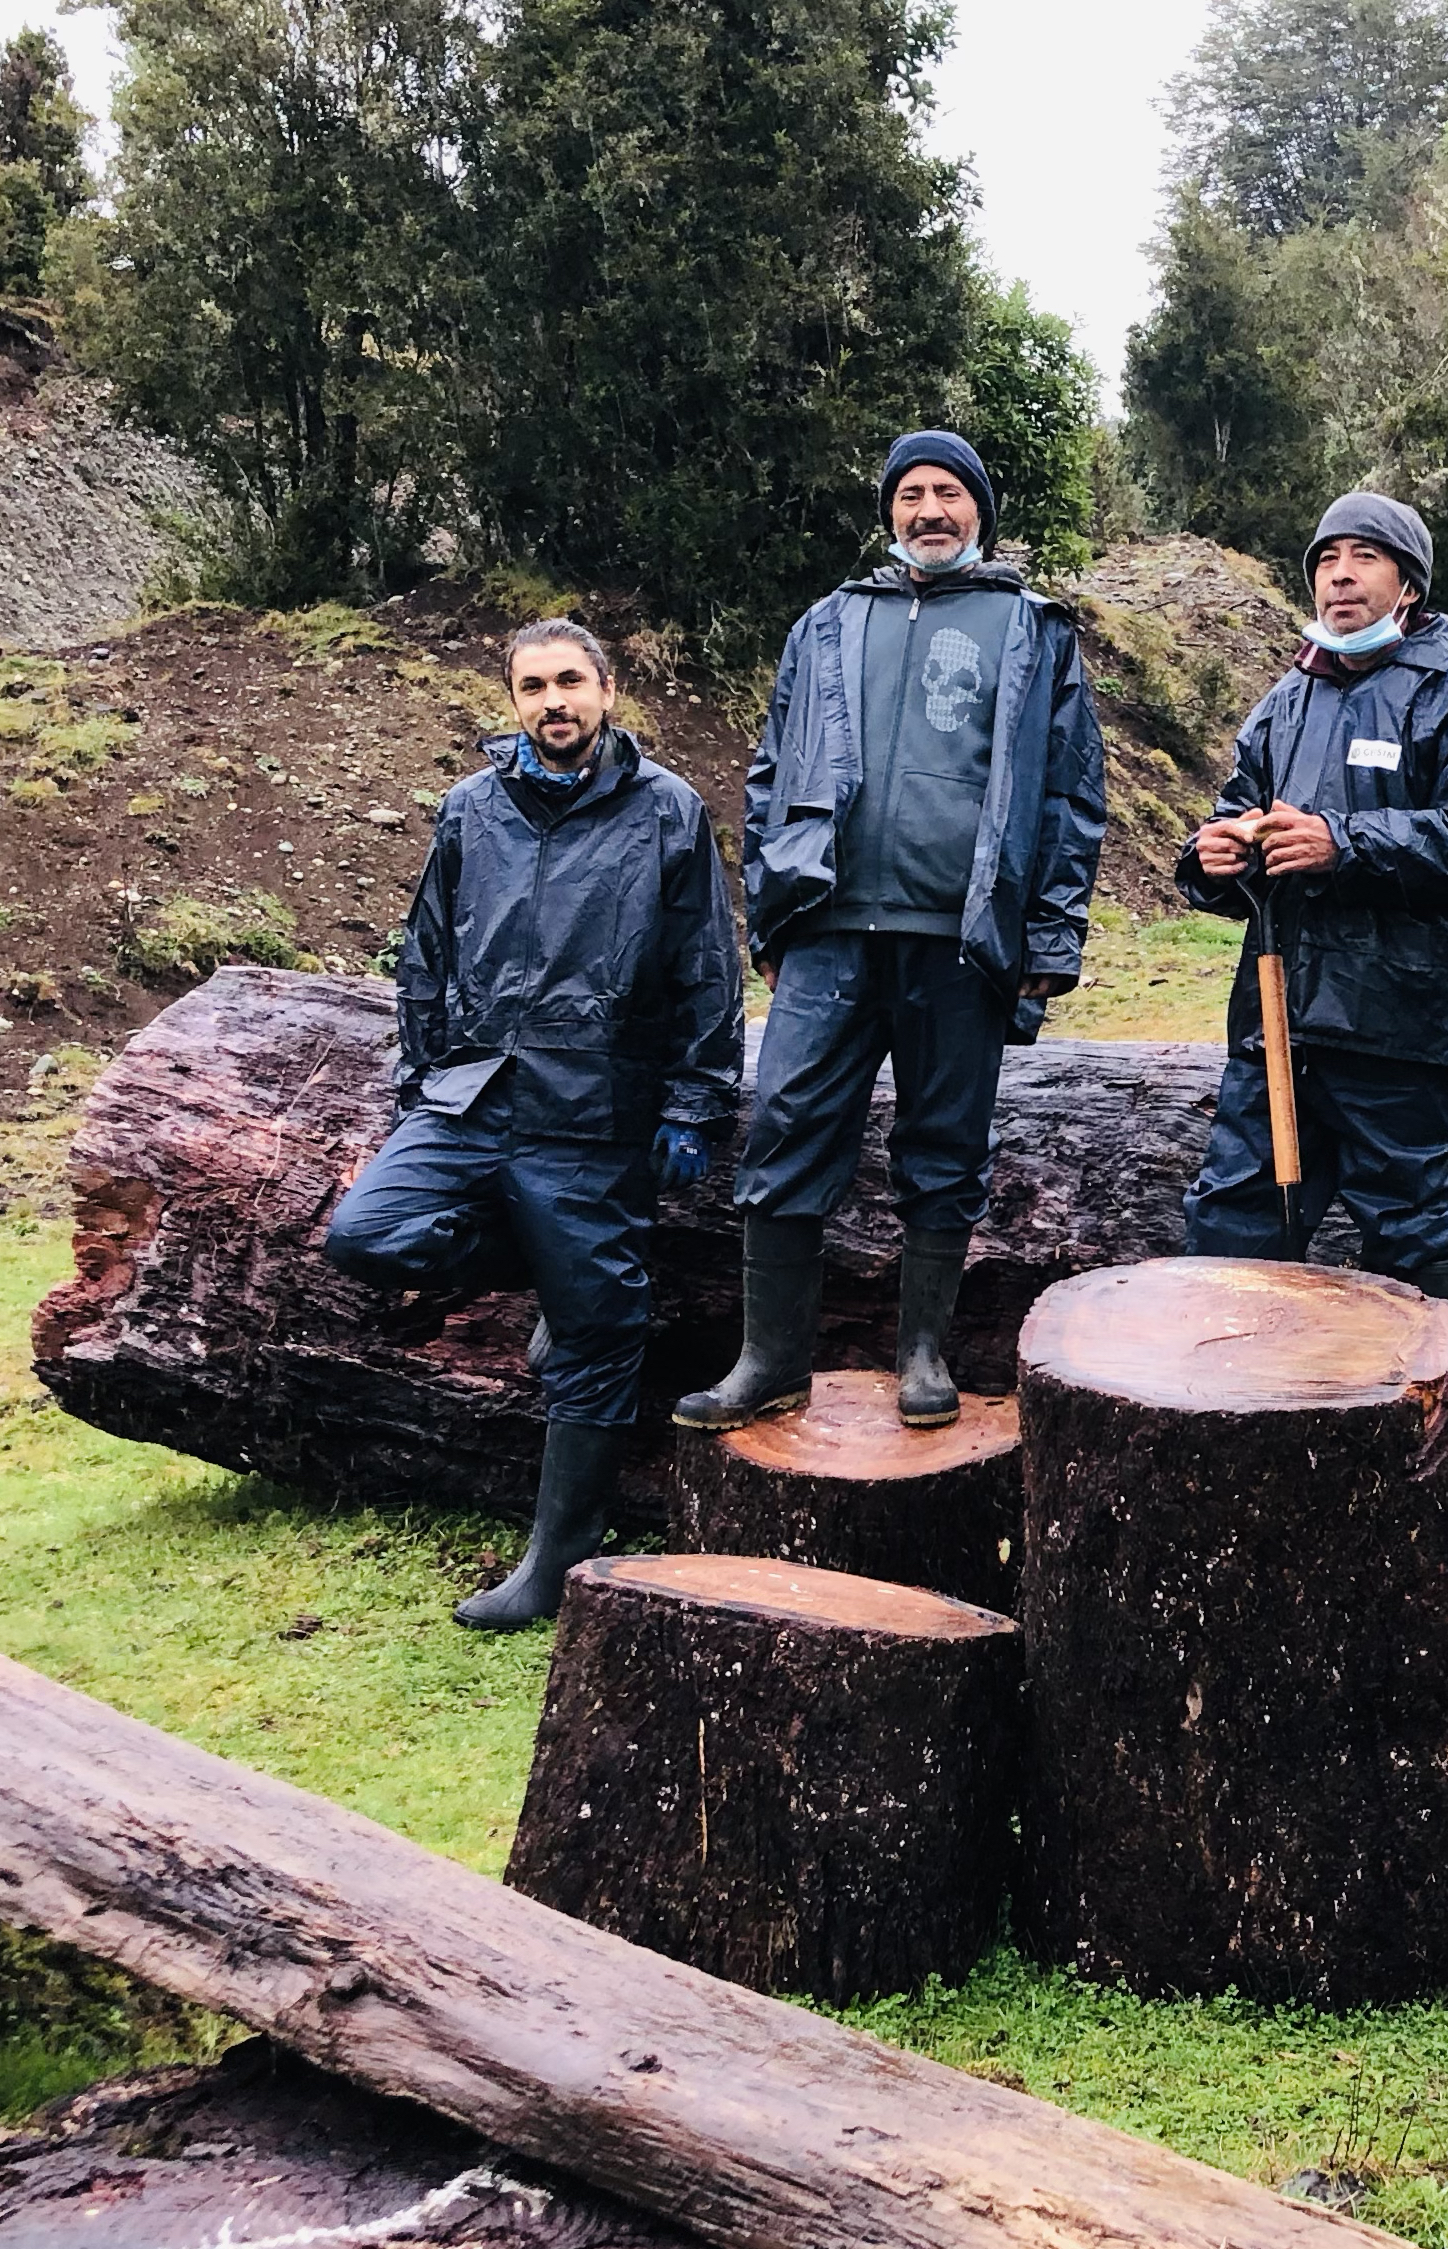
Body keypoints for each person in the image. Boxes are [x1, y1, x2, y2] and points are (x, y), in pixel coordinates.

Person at [676, 430, 1108, 1432]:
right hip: (828, 930)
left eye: (948, 493)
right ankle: (770, 1360)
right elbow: (772, 775)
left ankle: (922, 1353)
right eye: (910, 493)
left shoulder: (1030, 628)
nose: (928, 510)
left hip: (962, 938)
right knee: (783, 1125)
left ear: (978, 513)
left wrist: (1047, 941)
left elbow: (1070, 796)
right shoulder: (826, 624)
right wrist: (772, 921)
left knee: (945, 1145)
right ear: (889, 514)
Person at [325, 618, 742, 1631]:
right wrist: (416, 1080)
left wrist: (695, 1100)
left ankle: (554, 1561)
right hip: (472, 1094)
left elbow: (706, 968)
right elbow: (425, 955)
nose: (552, 702)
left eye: (569, 682)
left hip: (594, 1109)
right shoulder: (472, 810)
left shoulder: (667, 812)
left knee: (598, 1335)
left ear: (607, 689)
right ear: (512, 701)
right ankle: (554, 1275)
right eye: (531, 687)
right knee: (365, 1234)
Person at [1175, 492, 1448, 1298]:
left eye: (1364, 556)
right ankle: (1237, 1414)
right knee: (1231, 1228)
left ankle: (1420, 1414)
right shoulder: (1282, 706)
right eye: (1327, 560)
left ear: (1409, 585)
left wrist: (1344, 843)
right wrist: (1211, 857)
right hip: (1279, 1025)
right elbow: (1241, 831)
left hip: (1402, 1029)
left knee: (1409, 1237)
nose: (1340, 576)